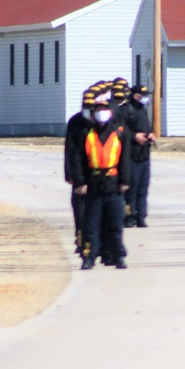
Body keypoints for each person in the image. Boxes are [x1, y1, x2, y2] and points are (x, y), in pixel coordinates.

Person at [70, 98, 132, 270]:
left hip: (113, 183)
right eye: (98, 110)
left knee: (115, 225)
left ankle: (118, 256)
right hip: (94, 184)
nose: (101, 113)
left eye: (104, 109)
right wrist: (80, 182)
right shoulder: (86, 133)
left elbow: (125, 159)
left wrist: (125, 181)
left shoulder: (119, 132)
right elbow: (77, 160)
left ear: (110, 112)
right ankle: (89, 257)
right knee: (91, 225)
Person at [64, 94, 96, 255]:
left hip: (98, 174)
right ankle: (82, 241)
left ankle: (96, 243)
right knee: (80, 210)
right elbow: (70, 149)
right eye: (86, 106)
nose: (89, 110)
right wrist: (70, 174)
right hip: (80, 173)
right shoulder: (75, 122)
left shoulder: (102, 122)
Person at [124, 84, 155, 227]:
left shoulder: (142, 109)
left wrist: (150, 135)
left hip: (144, 155)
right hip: (132, 156)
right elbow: (121, 132)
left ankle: (141, 215)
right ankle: (129, 215)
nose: (145, 98)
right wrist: (134, 136)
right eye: (143, 96)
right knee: (132, 188)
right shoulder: (126, 110)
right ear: (135, 96)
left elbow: (145, 127)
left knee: (143, 187)